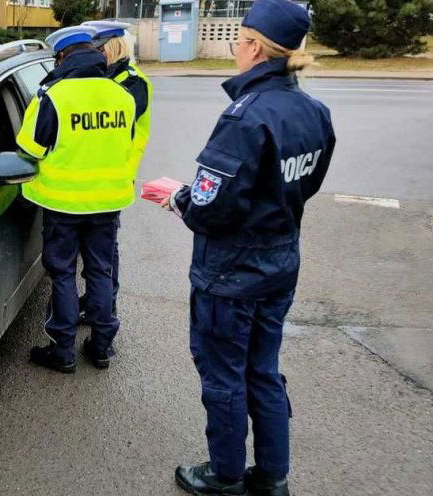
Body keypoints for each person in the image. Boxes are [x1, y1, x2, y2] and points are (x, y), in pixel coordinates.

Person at [164, 1, 336, 494]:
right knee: (263, 369)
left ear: (255, 47)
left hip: (231, 272)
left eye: (237, 39)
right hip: (280, 260)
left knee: (224, 377)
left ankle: (224, 476)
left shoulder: (245, 118)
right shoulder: (313, 111)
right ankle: (274, 478)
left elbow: (208, 207)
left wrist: (176, 196)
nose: (235, 47)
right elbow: (307, 183)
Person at [17, 26, 137, 372]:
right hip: (108, 203)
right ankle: (101, 347)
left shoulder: (53, 96)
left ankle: (63, 351)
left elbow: (30, 148)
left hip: (63, 205)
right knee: (100, 271)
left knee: (64, 275)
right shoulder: (121, 95)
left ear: (61, 57)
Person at [76, 20, 154, 323]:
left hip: (114, 177)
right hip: (92, 177)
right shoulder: (104, 77)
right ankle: (97, 305)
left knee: (104, 256)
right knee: (96, 254)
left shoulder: (131, 82)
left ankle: (106, 310)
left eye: (93, 48)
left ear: (108, 48)